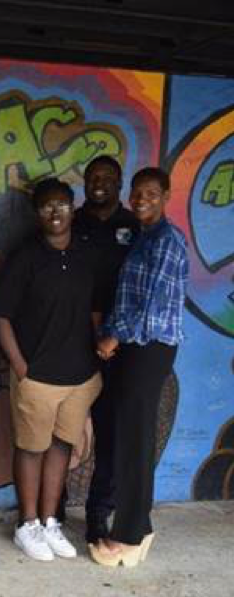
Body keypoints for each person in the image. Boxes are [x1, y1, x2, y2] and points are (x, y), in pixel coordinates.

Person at [0, 178, 103, 561]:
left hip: (79, 376)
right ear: (36, 212)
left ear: (73, 207)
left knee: (60, 447)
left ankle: (49, 520)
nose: (55, 213)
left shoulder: (86, 254)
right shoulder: (26, 258)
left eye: (61, 205)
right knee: (30, 448)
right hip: (37, 376)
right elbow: (1, 316)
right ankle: (27, 525)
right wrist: (20, 366)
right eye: (46, 207)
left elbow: (94, 310)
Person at [91, 167, 188, 568]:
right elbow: (125, 299)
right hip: (133, 346)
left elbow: (148, 305)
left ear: (165, 196)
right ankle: (131, 526)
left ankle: (133, 535)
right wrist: (112, 333)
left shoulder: (167, 241)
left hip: (150, 349)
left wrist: (114, 336)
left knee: (136, 439)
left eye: (151, 193)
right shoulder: (144, 238)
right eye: (137, 193)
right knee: (127, 436)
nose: (141, 199)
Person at [73, 155, 139, 544]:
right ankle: (52, 509)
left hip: (116, 348)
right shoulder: (72, 222)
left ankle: (98, 514)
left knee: (110, 434)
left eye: (108, 178)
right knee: (63, 432)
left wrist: (115, 337)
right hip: (71, 345)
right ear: (85, 181)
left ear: (119, 183)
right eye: (93, 176)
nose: (99, 183)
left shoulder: (134, 227)